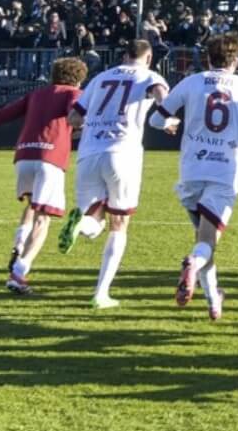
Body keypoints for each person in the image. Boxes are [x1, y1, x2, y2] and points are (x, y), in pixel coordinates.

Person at [147, 32, 238, 321]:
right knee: (205, 244)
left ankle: (213, 299)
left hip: (190, 172)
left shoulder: (191, 82)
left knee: (204, 237)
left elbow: (155, 119)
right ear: (236, 60)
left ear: (207, 58)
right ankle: (192, 264)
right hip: (223, 173)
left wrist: (170, 123)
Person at [0, 55, 87, 295]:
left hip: (24, 156)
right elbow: (75, 115)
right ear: (79, 79)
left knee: (32, 205)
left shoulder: (36, 94)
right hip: (50, 158)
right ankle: (19, 273)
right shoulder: (73, 93)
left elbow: (2, 115)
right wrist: (86, 126)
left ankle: (19, 245)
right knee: (43, 218)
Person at [63, 39, 171, 308]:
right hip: (122, 153)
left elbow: (73, 119)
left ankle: (81, 224)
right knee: (119, 224)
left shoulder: (100, 78)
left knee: (94, 220)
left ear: (124, 56)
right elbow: (161, 95)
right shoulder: (150, 75)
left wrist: (95, 123)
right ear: (148, 58)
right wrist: (167, 118)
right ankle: (101, 293)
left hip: (88, 153)